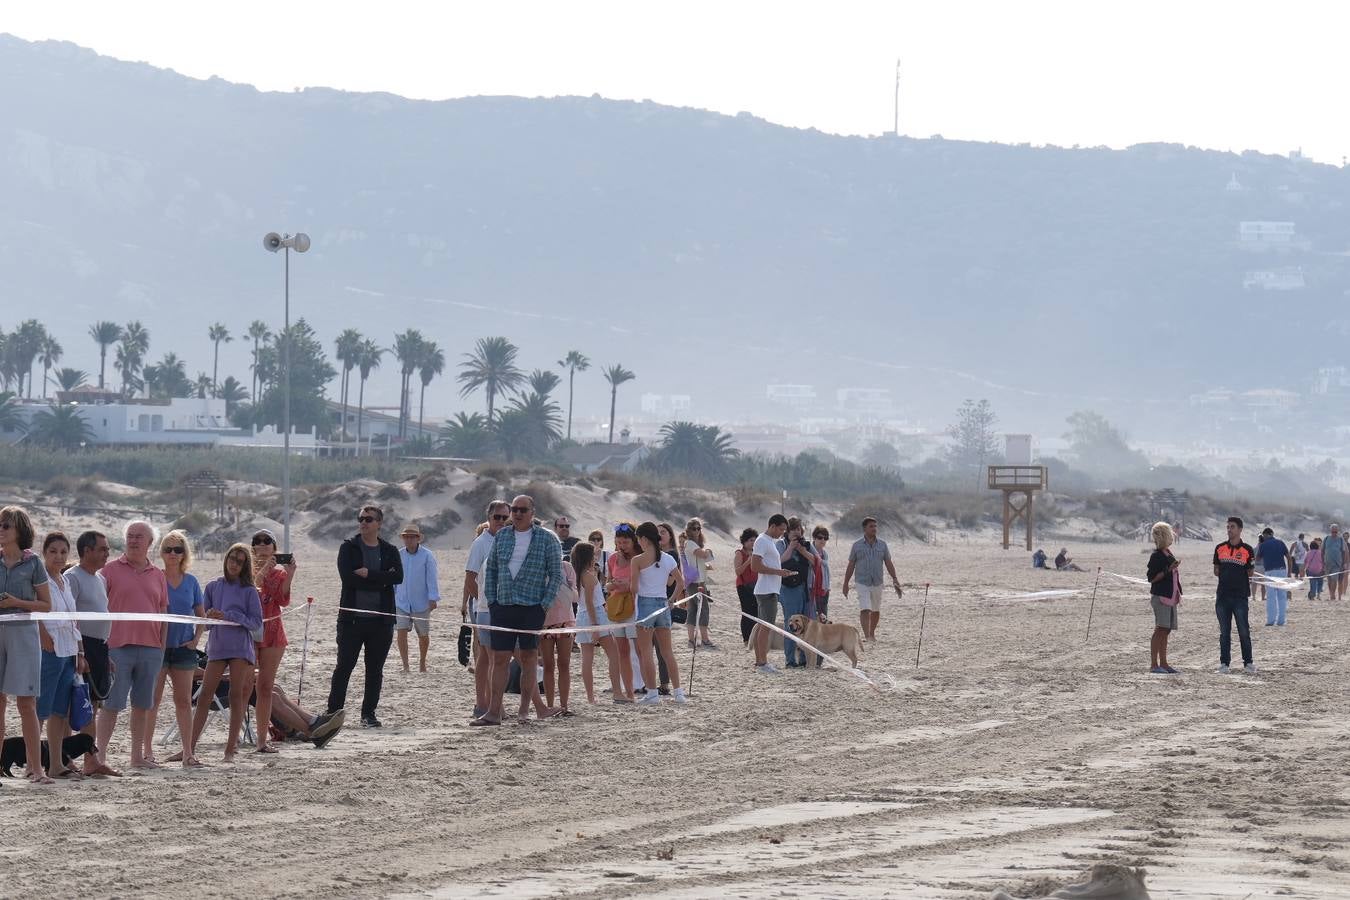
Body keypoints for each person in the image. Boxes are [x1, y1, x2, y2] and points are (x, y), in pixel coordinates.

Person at [474, 494, 563, 726]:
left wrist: (544, 604)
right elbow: (491, 569)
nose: (517, 514)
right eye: (514, 509)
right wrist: (492, 601)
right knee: (500, 658)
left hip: (532, 607)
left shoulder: (547, 539)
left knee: (529, 658)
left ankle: (525, 711)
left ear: (532, 513)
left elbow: (556, 574)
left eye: (523, 510)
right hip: (502, 605)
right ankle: (494, 711)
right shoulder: (502, 535)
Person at [96, 520, 169, 771]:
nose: (134, 540)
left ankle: (136, 756)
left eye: (139, 536)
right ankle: (100, 756)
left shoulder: (158, 575)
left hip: (150, 648)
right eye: (130, 536)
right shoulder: (108, 570)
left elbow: (163, 612)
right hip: (117, 647)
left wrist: (162, 647)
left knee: (142, 705)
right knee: (111, 704)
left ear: (150, 543)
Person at [327, 505, 404, 728]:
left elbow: (398, 577)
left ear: (379, 523)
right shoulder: (348, 548)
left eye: (369, 519)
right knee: (344, 667)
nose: (363, 522)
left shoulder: (389, 550)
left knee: (374, 670)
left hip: (381, 621)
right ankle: (333, 712)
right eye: (361, 518)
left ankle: (368, 714)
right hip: (352, 620)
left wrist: (369, 574)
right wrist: (382, 579)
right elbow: (348, 579)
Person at [191, 544, 264, 761]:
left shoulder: (249, 591)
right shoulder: (213, 586)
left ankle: (231, 748)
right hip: (217, 647)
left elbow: (256, 623)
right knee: (205, 695)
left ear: (245, 566)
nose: (234, 564)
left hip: (240, 649)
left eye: (240, 561)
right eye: (232, 558)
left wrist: (229, 615)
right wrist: (212, 617)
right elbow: (206, 624)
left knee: (236, 695)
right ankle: (190, 747)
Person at [0, 507, 54, 783]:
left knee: (26, 704)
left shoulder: (33, 563)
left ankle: (37, 769)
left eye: (5, 525)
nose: (1, 529)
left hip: (23, 635)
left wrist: (16, 603)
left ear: (19, 529)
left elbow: (47, 605)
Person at [144, 529, 205, 767]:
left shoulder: (191, 582)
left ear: (183, 554)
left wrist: (195, 640)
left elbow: (200, 615)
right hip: (157, 647)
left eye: (177, 549)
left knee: (182, 701)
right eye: (167, 549)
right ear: (161, 552)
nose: (172, 553)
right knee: (153, 700)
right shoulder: (155, 577)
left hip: (183, 648)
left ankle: (188, 752)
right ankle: (147, 751)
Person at [65, 530, 117, 776]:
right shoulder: (72, 577)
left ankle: (91, 761)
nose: (107, 553)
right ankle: (64, 759)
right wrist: (79, 652)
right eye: (103, 549)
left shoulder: (100, 579)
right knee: (69, 705)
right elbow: (69, 617)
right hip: (80, 646)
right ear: (87, 551)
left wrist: (105, 655)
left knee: (93, 705)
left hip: (99, 647)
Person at [38, 531, 84, 778]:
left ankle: (55, 763)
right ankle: (34, 764)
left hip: (68, 650)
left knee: (60, 711)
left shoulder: (65, 581)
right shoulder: (39, 579)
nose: (58, 556)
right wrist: (43, 635)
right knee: (40, 709)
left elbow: (74, 619)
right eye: (53, 551)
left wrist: (79, 652)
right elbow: (34, 611)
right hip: (49, 650)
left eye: (63, 552)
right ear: (44, 553)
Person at [464, 501, 510, 719]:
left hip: (503, 606)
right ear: (489, 518)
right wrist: (483, 601)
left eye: (504, 518)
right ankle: (493, 705)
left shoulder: (508, 540)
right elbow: (469, 578)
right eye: (497, 517)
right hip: (485, 607)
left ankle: (482, 703)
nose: (500, 521)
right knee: (491, 656)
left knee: (485, 656)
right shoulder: (481, 543)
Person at [250, 528, 294, 752]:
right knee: (244, 685)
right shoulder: (242, 569)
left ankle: (261, 739)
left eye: (268, 541)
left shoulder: (279, 574)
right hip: (248, 632)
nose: (262, 544)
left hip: (273, 632)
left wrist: (291, 573)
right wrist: (263, 569)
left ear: (275, 548)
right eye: (257, 541)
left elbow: (282, 600)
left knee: (265, 687)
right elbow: (251, 589)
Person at [632, 521, 686, 704]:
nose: (638, 542)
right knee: (667, 651)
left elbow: (633, 588)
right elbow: (681, 582)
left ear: (644, 539)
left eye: (638, 539)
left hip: (645, 605)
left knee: (646, 652)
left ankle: (652, 693)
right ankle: (678, 693)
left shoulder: (637, 560)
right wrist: (672, 601)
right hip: (663, 604)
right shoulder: (668, 559)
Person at [572, 541, 625, 703]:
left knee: (587, 658)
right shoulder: (588, 576)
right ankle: (617, 692)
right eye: (593, 554)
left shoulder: (578, 574)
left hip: (582, 616)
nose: (595, 557)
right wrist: (595, 626)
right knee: (613, 655)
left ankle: (590, 697)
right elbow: (589, 602)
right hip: (594, 616)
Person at [841, 517, 903, 641]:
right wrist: (846, 583)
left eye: (875, 526)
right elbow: (851, 564)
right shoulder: (857, 545)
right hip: (862, 582)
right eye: (871, 526)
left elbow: (888, 562)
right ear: (864, 528)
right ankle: (867, 636)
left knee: (875, 610)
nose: (874, 528)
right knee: (865, 608)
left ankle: (872, 632)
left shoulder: (882, 545)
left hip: (877, 582)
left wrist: (895, 578)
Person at [1213, 516, 1256, 675]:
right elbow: (1216, 570)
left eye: (1232, 527)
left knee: (1244, 630)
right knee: (1224, 632)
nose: (1229, 529)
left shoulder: (1247, 550)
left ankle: (1248, 663)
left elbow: (1250, 572)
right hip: (1222, 596)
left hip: (1240, 597)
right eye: (1228, 527)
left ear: (1240, 529)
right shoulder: (1219, 548)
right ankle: (1224, 663)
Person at [394, 523, 439, 674]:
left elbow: (432, 578)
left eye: (412, 537)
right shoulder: (398, 554)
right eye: (406, 537)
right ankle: (405, 665)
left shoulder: (427, 555)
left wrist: (433, 598)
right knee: (401, 631)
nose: (409, 540)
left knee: (423, 635)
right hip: (401, 601)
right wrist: (392, 596)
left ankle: (422, 662)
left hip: (422, 601)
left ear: (418, 538)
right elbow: (395, 577)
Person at [751, 514, 792, 674]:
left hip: (769, 588)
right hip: (766, 590)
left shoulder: (768, 542)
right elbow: (755, 566)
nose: (782, 533)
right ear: (773, 526)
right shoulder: (762, 540)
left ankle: (760, 661)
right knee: (766, 627)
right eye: (781, 529)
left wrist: (780, 572)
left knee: (763, 626)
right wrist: (777, 572)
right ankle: (762, 662)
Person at [604, 523, 640, 699]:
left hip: (635, 607)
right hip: (617, 607)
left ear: (634, 541)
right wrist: (612, 585)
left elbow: (644, 583)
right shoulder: (612, 559)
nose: (622, 546)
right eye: (619, 542)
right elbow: (607, 583)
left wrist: (629, 585)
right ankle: (629, 692)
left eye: (625, 542)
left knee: (640, 650)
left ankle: (648, 688)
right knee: (622, 651)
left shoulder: (640, 558)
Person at [539, 557, 577, 715]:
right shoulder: (537, 566)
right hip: (544, 621)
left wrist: (566, 589)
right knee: (548, 665)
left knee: (564, 664)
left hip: (565, 621)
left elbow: (575, 596)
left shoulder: (566, 567)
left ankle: (564, 705)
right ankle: (549, 706)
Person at [778, 517, 817, 668]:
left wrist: (802, 550)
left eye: (798, 529)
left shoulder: (806, 545)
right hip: (788, 589)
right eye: (793, 529)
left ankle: (804, 659)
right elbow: (779, 561)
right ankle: (790, 660)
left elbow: (816, 561)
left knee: (807, 623)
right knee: (791, 623)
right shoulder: (781, 544)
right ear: (787, 531)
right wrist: (791, 548)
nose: (796, 532)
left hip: (805, 588)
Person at [1145, 522, 1181, 674]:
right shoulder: (1156, 556)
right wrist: (1168, 570)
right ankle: (1154, 665)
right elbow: (1151, 578)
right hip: (1161, 597)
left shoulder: (1168, 553)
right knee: (1160, 629)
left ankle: (1164, 663)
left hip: (1170, 596)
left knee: (1166, 630)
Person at [679, 518, 714, 649]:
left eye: (699, 528)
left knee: (693, 610)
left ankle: (691, 640)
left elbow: (699, 559)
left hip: (694, 580)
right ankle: (704, 639)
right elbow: (704, 554)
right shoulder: (691, 544)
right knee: (703, 609)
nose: (697, 531)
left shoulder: (690, 544)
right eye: (694, 528)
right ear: (688, 530)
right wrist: (709, 552)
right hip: (696, 582)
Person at [1257, 527, 1291, 627]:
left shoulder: (1263, 545)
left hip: (1270, 571)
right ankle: (1281, 620)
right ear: (1272, 534)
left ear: (1265, 535)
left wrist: (1260, 544)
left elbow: (1258, 558)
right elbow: (1289, 558)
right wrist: (1289, 572)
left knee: (1271, 597)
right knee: (1282, 596)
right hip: (1281, 570)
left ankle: (1271, 620)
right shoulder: (1280, 542)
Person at [733, 529, 760, 645]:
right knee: (747, 612)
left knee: (757, 612)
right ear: (744, 541)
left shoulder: (757, 552)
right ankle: (746, 639)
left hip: (757, 585)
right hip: (743, 586)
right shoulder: (739, 553)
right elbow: (738, 571)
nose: (752, 542)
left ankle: (755, 638)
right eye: (750, 540)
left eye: (754, 540)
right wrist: (748, 561)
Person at [809, 525, 831, 620]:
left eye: (825, 538)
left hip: (824, 589)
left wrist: (827, 587)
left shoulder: (824, 554)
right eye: (820, 537)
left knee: (823, 616)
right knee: (813, 616)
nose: (823, 540)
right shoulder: (809, 550)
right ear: (814, 538)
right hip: (812, 588)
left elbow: (826, 572)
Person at [1321, 524, 1347, 601]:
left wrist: (1344, 563)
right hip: (1327, 563)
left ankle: (1333, 595)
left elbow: (1343, 552)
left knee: (1334, 579)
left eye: (1336, 532)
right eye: (1333, 532)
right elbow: (1322, 551)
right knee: (1329, 580)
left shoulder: (1340, 539)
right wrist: (1322, 562)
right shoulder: (1326, 539)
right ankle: (1331, 593)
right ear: (1331, 531)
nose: (1334, 533)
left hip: (1337, 564)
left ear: (1337, 531)